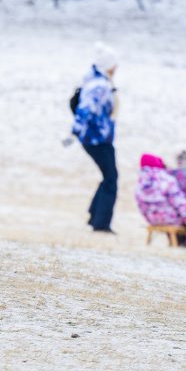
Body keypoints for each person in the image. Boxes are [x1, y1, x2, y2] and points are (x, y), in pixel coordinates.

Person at [72, 42, 120, 233]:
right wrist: (75, 131)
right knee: (111, 178)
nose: (117, 67)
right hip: (96, 139)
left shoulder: (97, 81)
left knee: (109, 176)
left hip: (98, 138)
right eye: (115, 64)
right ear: (109, 65)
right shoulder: (99, 86)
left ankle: (95, 216)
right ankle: (101, 223)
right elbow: (85, 110)